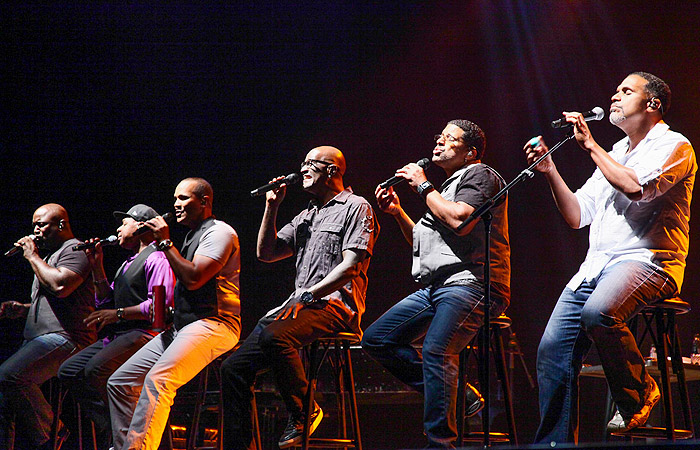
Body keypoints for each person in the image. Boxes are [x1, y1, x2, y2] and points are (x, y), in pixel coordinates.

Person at [524, 72, 696, 444]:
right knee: (551, 350)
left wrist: (590, 146)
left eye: (626, 91)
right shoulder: (615, 152)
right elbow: (577, 215)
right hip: (598, 266)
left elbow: (636, 188)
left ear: (652, 105)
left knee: (598, 312)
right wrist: (550, 171)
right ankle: (551, 444)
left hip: (650, 261)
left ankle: (638, 392)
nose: (615, 96)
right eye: (615, 89)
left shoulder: (675, 145)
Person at [361, 119, 511, 449]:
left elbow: (460, 220)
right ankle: (459, 395)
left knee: (437, 349)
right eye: (438, 138)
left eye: (449, 139)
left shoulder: (480, 175)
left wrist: (421, 186)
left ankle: (440, 444)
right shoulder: (444, 190)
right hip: (439, 285)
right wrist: (399, 212)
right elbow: (424, 242)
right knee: (376, 339)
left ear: (470, 152)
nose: (438, 143)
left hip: (474, 283)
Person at [220, 146, 379, 450]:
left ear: (332, 170)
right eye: (302, 163)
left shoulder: (356, 206)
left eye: (310, 164)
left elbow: (351, 267)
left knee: (275, 337)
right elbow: (266, 253)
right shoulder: (307, 214)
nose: (303, 169)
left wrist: (306, 295)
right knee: (233, 369)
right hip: (299, 306)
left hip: (335, 306)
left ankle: (305, 411)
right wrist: (272, 206)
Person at [107, 178, 241, 450]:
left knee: (159, 380)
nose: (176, 205)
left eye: (183, 198)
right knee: (120, 382)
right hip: (185, 326)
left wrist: (165, 242)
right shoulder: (192, 236)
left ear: (204, 202)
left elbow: (194, 279)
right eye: (175, 199)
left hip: (215, 324)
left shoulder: (220, 232)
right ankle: (126, 446)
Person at [57, 204, 175, 450]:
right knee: (69, 371)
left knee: (95, 370)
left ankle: (125, 434)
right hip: (121, 334)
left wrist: (118, 314)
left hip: (145, 334)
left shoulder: (157, 258)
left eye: (124, 223)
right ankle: (118, 430)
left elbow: (159, 308)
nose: (118, 229)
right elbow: (106, 301)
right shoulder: (126, 264)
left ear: (142, 226)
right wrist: (96, 265)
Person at [0, 203, 95, 450]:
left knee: (8, 375)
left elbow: (61, 287)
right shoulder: (50, 256)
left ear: (61, 225)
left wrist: (32, 255)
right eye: (34, 225)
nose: (35, 230)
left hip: (68, 338)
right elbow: (52, 300)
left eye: (41, 224)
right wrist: (25, 308)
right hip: (42, 338)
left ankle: (53, 432)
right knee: (3, 400)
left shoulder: (76, 249)